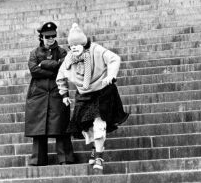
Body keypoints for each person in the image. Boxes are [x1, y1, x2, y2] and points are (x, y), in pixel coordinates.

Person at [56, 23, 129, 171]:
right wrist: (64, 94)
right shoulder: (69, 58)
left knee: (99, 125)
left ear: (84, 44)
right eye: (72, 45)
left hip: (101, 92)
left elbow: (114, 59)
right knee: (86, 128)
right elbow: (60, 76)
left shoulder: (96, 49)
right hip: (83, 95)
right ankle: (96, 149)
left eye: (77, 44)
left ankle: (99, 157)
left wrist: (111, 75)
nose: (74, 47)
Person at [24, 22, 75, 166]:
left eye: (53, 36)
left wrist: (44, 64)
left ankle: (66, 158)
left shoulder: (63, 52)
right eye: (47, 37)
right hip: (38, 94)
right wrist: (54, 66)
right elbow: (34, 70)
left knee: (61, 125)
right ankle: (38, 160)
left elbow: (64, 67)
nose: (51, 39)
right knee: (38, 127)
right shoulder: (34, 53)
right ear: (41, 37)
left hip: (57, 91)